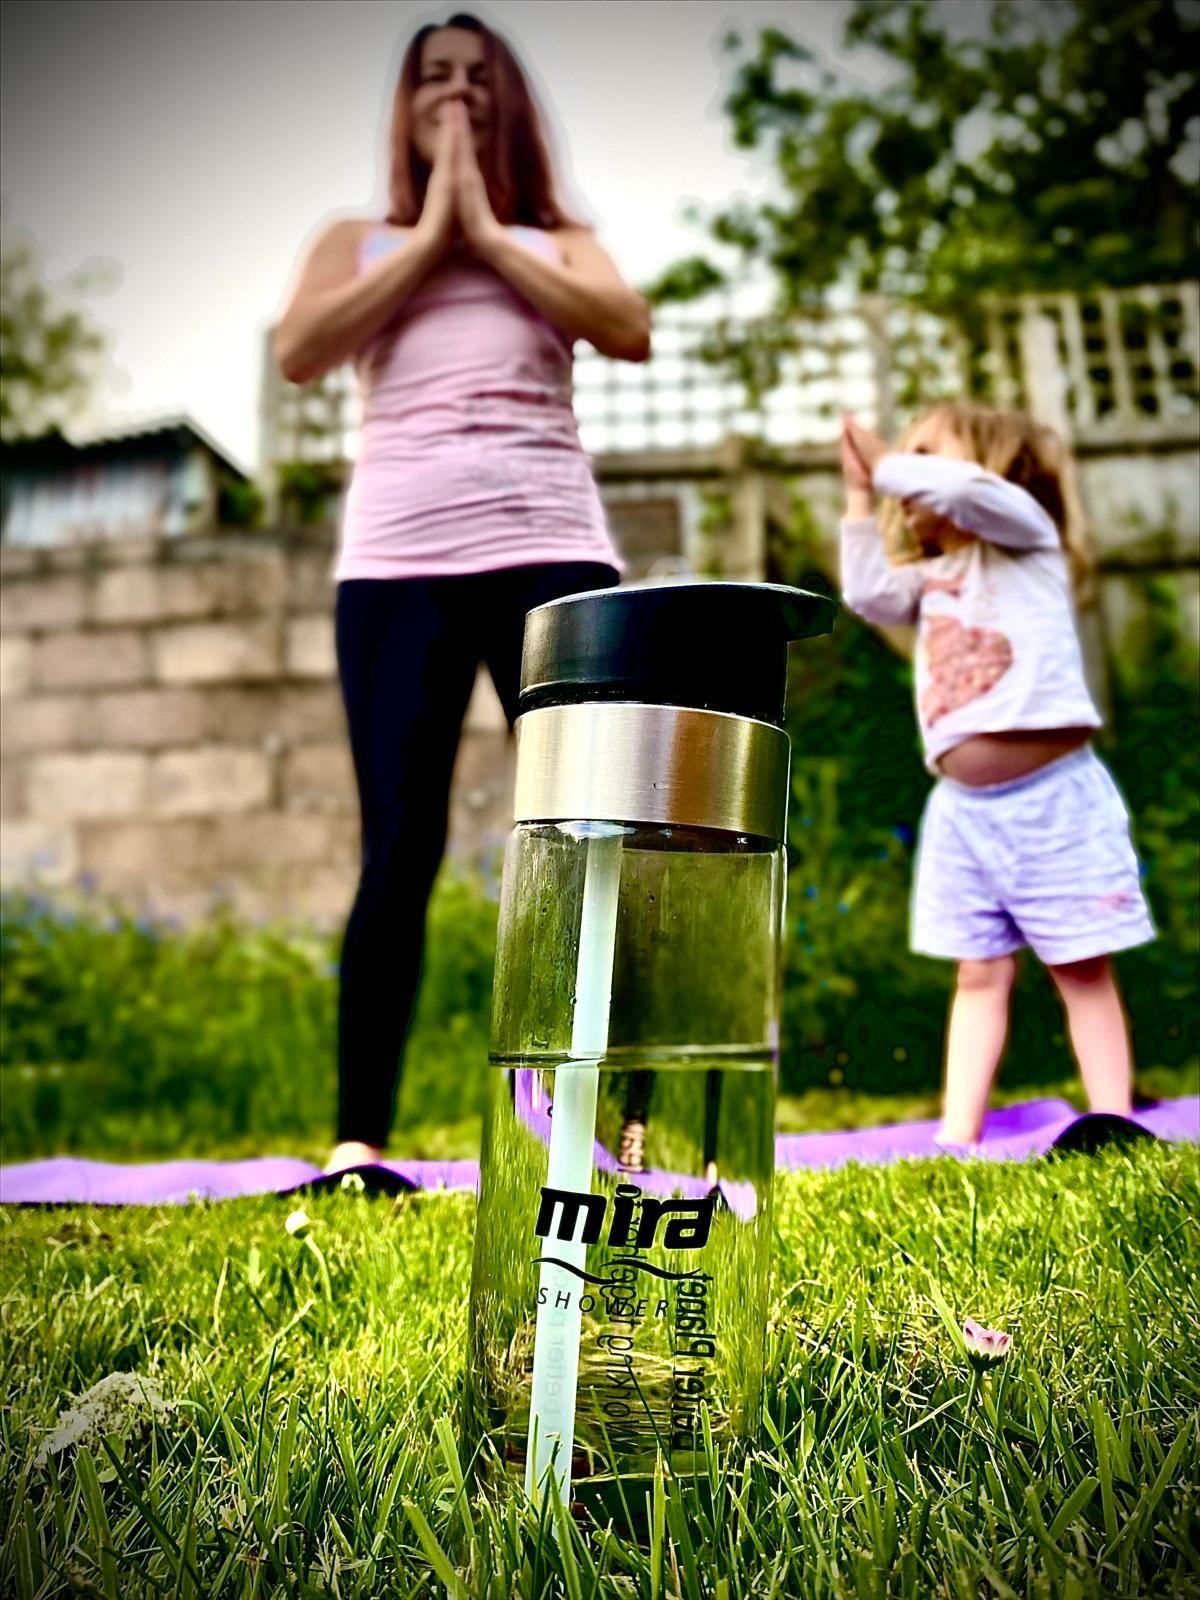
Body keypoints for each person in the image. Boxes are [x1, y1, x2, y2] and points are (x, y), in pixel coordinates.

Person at [273, 13, 650, 1171]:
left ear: (509, 102)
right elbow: (301, 349)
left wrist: (486, 228)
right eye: (433, 77)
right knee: (400, 844)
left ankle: (625, 1127)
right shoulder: (356, 238)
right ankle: (357, 1140)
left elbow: (625, 327)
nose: (456, 95)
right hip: (398, 565)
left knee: (595, 834)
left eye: (477, 80)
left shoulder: (560, 237)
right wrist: (435, 231)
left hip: (550, 547)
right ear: (404, 102)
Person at [838, 403, 1155, 1147]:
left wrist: (887, 464)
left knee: (1080, 968)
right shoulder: (933, 576)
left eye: (926, 456)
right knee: (977, 975)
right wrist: (859, 496)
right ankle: (958, 1136)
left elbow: (973, 497)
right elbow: (866, 594)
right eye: (901, 462)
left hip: (1055, 802)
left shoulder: (1025, 538)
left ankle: (1115, 1121)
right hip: (964, 815)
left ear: (995, 465)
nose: (905, 479)